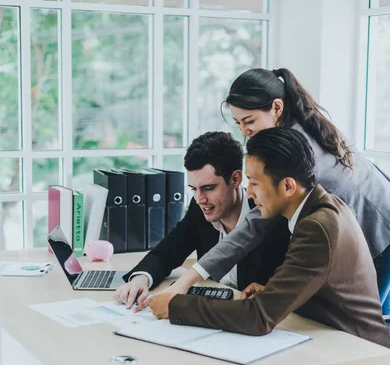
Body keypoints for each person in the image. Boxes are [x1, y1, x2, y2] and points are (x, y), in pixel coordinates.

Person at [138, 128, 390, 365]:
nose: (249, 193)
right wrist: (272, 291)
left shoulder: (316, 226)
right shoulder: (319, 208)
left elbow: (258, 318)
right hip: (331, 346)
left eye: (254, 183)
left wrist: (177, 307)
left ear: (287, 186)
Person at [166, 67, 390, 322]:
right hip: (377, 221)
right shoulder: (289, 133)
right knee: (378, 324)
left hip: (384, 232)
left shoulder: (296, 154)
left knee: (368, 328)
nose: (244, 132)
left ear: (276, 108)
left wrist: (191, 278)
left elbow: (254, 224)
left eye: (249, 121)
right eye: (238, 123)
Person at [114, 131, 290, 308]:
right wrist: (140, 279)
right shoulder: (200, 209)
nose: (200, 199)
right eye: (193, 189)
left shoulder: (270, 215)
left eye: (209, 188)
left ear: (236, 179)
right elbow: (167, 252)